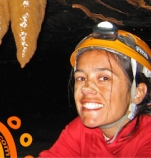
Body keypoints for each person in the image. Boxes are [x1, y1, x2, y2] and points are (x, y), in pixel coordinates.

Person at [40, 21, 151, 157]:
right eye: (81, 78)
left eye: (104, 78)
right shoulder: (81, 131)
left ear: (138, 93)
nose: (86, 88)